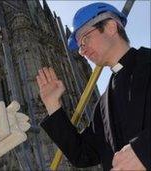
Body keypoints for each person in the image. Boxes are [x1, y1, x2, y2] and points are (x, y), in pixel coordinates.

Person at [36, 2, 150, 170]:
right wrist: (52, 104)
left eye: (85, 38)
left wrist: (144, 151)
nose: (83, 51)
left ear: (111, 27)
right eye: (80, 47)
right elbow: (83, 154)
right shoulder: (103, 106)